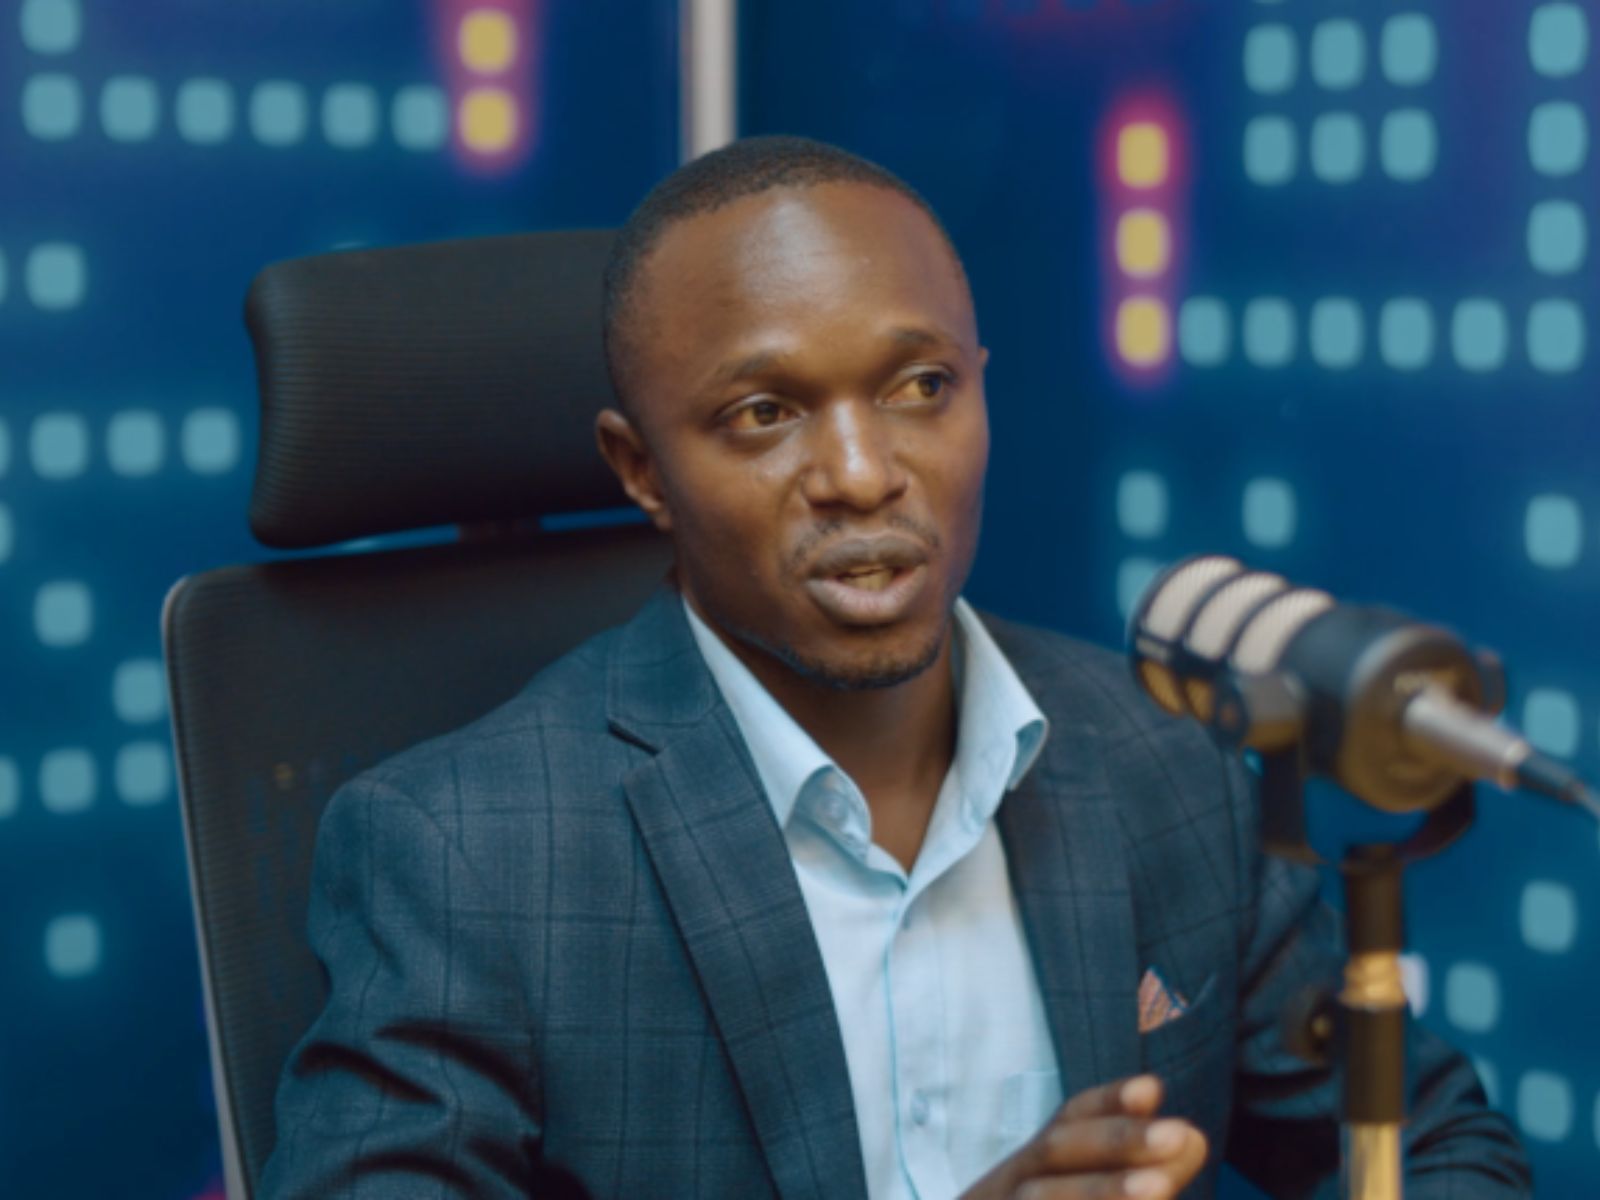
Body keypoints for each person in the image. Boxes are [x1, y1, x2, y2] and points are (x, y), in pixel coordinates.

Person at [261, 136, 1531, 1199]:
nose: (864, 474)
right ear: (641, 470)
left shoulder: (1165, 761)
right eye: (765, 414)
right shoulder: (462, 856)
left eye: (920, 387)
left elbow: (1439, 1148)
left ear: (981, 392)